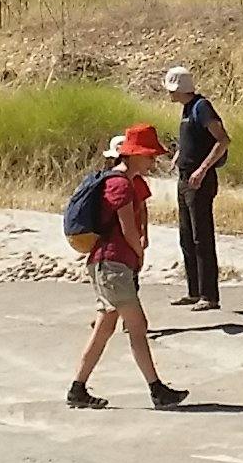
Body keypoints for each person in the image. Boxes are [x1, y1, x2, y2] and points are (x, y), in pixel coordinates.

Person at [62, 125, 187, 410]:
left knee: (105, 327)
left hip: (106, 263)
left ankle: (78, 388)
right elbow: (128, 228)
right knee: (137, 325)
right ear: (132, 156)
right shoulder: (120, 185)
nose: (152, 161)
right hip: (113, 263)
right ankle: (156, 390)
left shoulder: (124, 181)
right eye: (148, 156)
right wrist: (139, 253)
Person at [160, 66, 230, 309]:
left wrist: (202, 169)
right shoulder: (188, 109)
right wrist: (180, 155)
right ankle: (194, 290)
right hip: (185, 178)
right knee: (186, 236)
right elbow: (195, 139)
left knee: (202, 237)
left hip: (199, 180)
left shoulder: (202, 107)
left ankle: (209, 295)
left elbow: (223, 140)